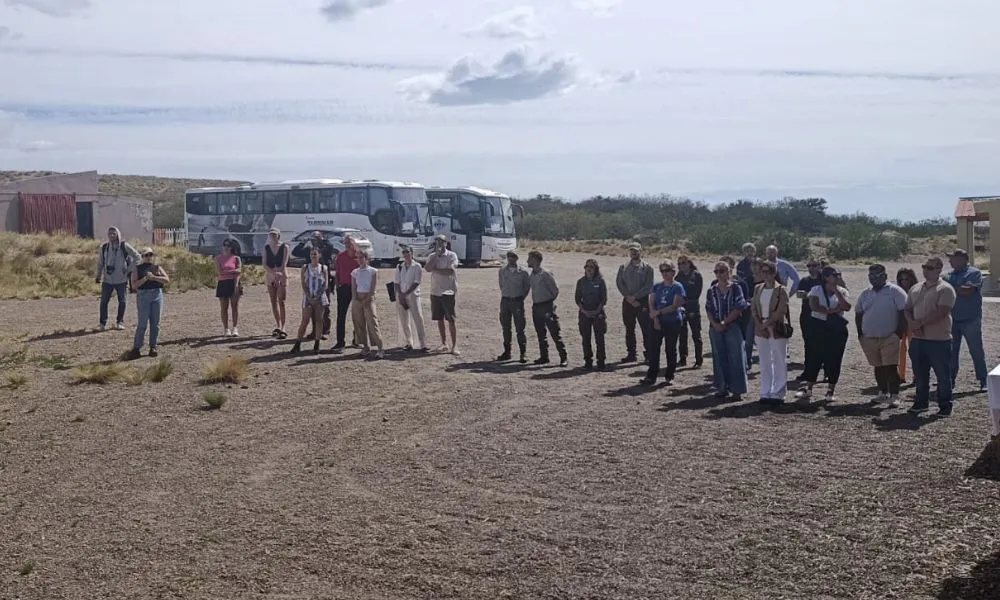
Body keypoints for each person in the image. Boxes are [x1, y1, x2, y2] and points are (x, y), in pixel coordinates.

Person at [905, 256, 957, 416]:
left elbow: (942, 311)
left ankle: (944, 405)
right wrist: (913, 324)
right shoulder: (916, 288)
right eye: (924, 267)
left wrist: (919, 324)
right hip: (918, 340)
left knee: (942, 375)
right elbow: (907, 309)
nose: (925, 270)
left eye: (929, 268)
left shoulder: (945, 289)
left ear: (939, 269)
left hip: (939, 340)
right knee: (920, 375)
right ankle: (921, 403)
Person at [795, 266, 852, 404]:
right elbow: (814, 306)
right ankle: (808, 388)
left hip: (836, 330)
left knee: (834, 358)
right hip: (818, 328)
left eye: (839, 274)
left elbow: (847, 307)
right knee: (814, 357)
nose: (838, 277)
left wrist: (837, 292)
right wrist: (833, 311)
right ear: (826, 277)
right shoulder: (816, 290)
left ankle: (830, 389)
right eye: (835, 275)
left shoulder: (842, 291)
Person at [855, 264, 908, 408]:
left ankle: (895, 395)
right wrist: (860, 333)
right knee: (878, 366)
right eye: (871, 276)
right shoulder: (865, 293)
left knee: (890, 367)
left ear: (885, 276)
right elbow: (858, 313)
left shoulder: (895, 291)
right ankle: (883, 392)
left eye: (877, 276)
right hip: (869, 337)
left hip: (889, 336)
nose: (874, 279)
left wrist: (898, 333)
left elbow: (903, 312)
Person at [945, 249, 988, 392]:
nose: (950, 261)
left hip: (970, 319)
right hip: (952, 319)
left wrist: (949, 288)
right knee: (951, 352)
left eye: (953, 258)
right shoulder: (948, 275)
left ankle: (983, 380)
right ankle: (950, 380)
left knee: (976, 351)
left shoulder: (974, 273)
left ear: (963, 259)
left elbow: (967, 291)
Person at [705, 261, 749, 400]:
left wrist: (725, 322)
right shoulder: (712, 290)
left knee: (736, 357)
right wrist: (715, 324)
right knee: (719, 357)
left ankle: (737, 390)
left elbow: (739, 306)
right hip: (715, 326)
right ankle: (722, 387)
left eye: (722, 271)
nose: (719, 274)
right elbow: (708, 309)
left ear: (729, 272)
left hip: (732, 325)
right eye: (716, 271)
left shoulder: (736, 288)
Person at [751, 260, 791, 404]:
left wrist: (767, 324)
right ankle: (765, 390)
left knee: (779, 359)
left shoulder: (781, 290)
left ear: (774, 273)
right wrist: (759, 325)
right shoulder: (758, 288)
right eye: (763, 272)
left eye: (769, 272)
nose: (766, 275)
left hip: (776, 327)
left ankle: (779, 391)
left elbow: (781, 311)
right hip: (760, 327)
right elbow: (753, 308)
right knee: (764, 360)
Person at [642, 260, 685, 386]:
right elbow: (652, 301)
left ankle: (669, 375)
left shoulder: (678, 287)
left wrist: (658, 313)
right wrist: (655, 318)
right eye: (662, 271)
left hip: (672, 321)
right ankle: (651, 376)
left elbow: (675, 305)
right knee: (653, 349)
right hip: (658, 321)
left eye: (667, 271)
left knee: (670, 349)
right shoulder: (657, 286)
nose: (665, 273)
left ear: (673, 272)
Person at [527, 250, 568, 366]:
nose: (527, 261)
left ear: (535, 259)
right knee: (540, 333)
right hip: (536, 306)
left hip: (546, 306)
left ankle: (563, 357)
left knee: (555, 332)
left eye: (529, 258)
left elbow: (555, 290)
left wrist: (549, 302)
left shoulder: (545, 273)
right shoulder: (532, 275)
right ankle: (544, 356)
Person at [94, 226, 139, 330]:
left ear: (118, 234)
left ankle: (120, 322)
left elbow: (137, 257)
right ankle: (102, 323)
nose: (112, 236)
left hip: (121, 279)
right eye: (110, 234)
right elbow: (100, 262)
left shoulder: (124, 246)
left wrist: (128, 269)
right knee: (104, 302)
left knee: (122, 301)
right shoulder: (104, 247)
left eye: (114, 233)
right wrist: (98, 275)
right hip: (107, 279)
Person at [615, 243, 654, 363]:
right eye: (631, 251)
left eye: (636, 251)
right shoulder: (623, 267)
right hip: (627, 301)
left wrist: (635, 297)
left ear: (640, 251)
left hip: (642, 302)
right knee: (629, 329)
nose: (633, 253)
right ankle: (631, 354)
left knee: (646, 329)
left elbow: (649, 286)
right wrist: (628, 297)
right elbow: (619, 283)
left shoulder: (647, 268)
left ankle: (649, 355)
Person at [127, 248, 169, 359]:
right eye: (146, 255)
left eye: (151, 254)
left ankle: (153, 346)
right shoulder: (137, 269)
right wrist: (145, 278)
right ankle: (137, 348)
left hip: (157, 295)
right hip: (143, 296)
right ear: (142, 256)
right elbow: (134, 285)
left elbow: (166, 279)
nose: (149, 257)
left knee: (155, 323)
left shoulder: (157, 267)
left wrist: (154, 277)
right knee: (142, 323)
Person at [424, 234, 460, 354]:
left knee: (451, 319)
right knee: (439, 319)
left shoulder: (452, 255)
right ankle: (444, 343)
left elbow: (450, 270)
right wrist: (436, 257)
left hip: (448, 291)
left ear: (446, 243)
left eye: (441, 242)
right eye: (437, 242)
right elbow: (427, 268)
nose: (439, 245)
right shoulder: (432, 256)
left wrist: (436, 270)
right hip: (435, 291)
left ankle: (454, 346)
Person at [795, 258, 828, 382]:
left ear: (820, 266)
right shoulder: (805, 280)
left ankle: (827, 372)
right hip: (807, 315)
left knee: (824, 344)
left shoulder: (824, 280)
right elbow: (799, 294)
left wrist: (809, 294)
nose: (811, 268)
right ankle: (808, 371)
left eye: (814, 265)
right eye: (809, 266)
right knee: (808, 343)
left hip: (821, 315)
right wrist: (809, 294)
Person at [290, 247, 328, 355]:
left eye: (315, 254)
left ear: (319, 255)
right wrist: (309, 297)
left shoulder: (323, 268)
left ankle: (317, 344)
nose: (313, 256)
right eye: (312, 254)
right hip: (308, 297)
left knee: (319, 320)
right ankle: (298, 343)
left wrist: (317, 296)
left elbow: (325, 284)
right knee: (304, 321)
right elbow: (303, 283)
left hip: (320, 297)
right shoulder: (305, 267)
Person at [497, 250, 531, 363]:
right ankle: (507, 352)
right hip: (505, 301)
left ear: (517, 258)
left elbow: (527, 288)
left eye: (513, 257)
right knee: (506, 327)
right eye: (509, 257)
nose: (511, 259)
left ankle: (523, 353)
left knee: (520, 328)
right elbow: (501, 285)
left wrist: (520, 298)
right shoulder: (502, 271)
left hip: (517, 301)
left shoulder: (523, 272)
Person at [575, 258, 608, 371]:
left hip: (598, 313)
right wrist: (584, 311)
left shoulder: (600, 281)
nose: (589, 269)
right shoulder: (581, 282)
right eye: (587, 266)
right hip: (584, 313)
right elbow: (577, 299)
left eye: (591, 267)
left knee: (599, 338)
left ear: (595, 269)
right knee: (586, 338)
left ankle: (601, 361)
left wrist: (597, 311)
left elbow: (603, 299)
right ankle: (588, 361)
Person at [394, 246, 427, 352]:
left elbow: (417, 282)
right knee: (404, 320)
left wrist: (406, 293)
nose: (406, 254)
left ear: (412, 253)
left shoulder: (417, 266)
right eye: (404, 252)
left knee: (418, 318)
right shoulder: (399, 266)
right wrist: (400, 295)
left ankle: (422, 343)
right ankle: (409, 342)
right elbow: (396, 282)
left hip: (413, 295)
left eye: (407, 252)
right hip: (401, 295)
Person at [351, 249, 384, 358]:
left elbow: (372, 288)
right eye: (358, 258)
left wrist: (365, 300)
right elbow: (354, 288)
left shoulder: (373, 271)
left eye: (361, 257)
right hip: (358, 299)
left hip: (368, 299)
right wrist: (356, 299)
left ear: (366, 258)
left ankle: (380, 348)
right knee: (359, 324)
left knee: (372, 323)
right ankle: (365, 346)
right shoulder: (355, 272)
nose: (359, 260)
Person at [675, 255, 704, 368]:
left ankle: (698, 360)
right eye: (679, 264)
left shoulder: (696, 275)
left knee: (696, 334)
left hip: (693, 308)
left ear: (689, 263)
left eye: (684, 263)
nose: (682, 265)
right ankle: (683, 358)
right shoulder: (678, 277)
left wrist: (685, 299)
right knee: (682, 334)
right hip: (681, 308)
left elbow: (697, 293)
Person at [263, 227, 289, 339]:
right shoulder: (266, 248)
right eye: (271, 235)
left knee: (281, 301)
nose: (273, 237)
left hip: (281, 275)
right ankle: (277, 325)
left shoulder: (284, 247)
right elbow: (264, 264)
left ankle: (284, 326)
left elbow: (284, 263)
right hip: (270, 276)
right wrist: (273, 274)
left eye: (274, 235)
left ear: (278, 236)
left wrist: (278, 273)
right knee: (273, 302)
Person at [330, 233, 355, 347]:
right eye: (346, 242)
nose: (348, 244)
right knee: (341, 316)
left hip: (356, 288)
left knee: (357, 315)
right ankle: (340, 342)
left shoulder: (359, 255)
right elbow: (337, 272)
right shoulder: (340, 256)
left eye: (350, 242)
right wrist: (337, 285)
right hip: (343, 287)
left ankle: (357, 339)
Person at [215, 240, 242, 337]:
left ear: (232, 247)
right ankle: (226, 329)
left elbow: (239, 271)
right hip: (223, 283)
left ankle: (235, 327)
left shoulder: (236, 258)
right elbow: (220, 272)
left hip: (234, 282)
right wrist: (233, 271)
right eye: (224, 245)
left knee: (235, 306)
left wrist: (236, 283)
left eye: (228, 245)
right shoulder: (218, 258)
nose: (226, 247)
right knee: (224, 307)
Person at [895, 267, 918, 383]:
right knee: (900, 350)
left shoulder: (917, 290)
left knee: (914, 350)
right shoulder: (896, 291)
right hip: (900, 323)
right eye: (902, 279)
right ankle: (901, 375)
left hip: (912, 323)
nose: (904, 282)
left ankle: (917, 375)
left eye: (907, 279)